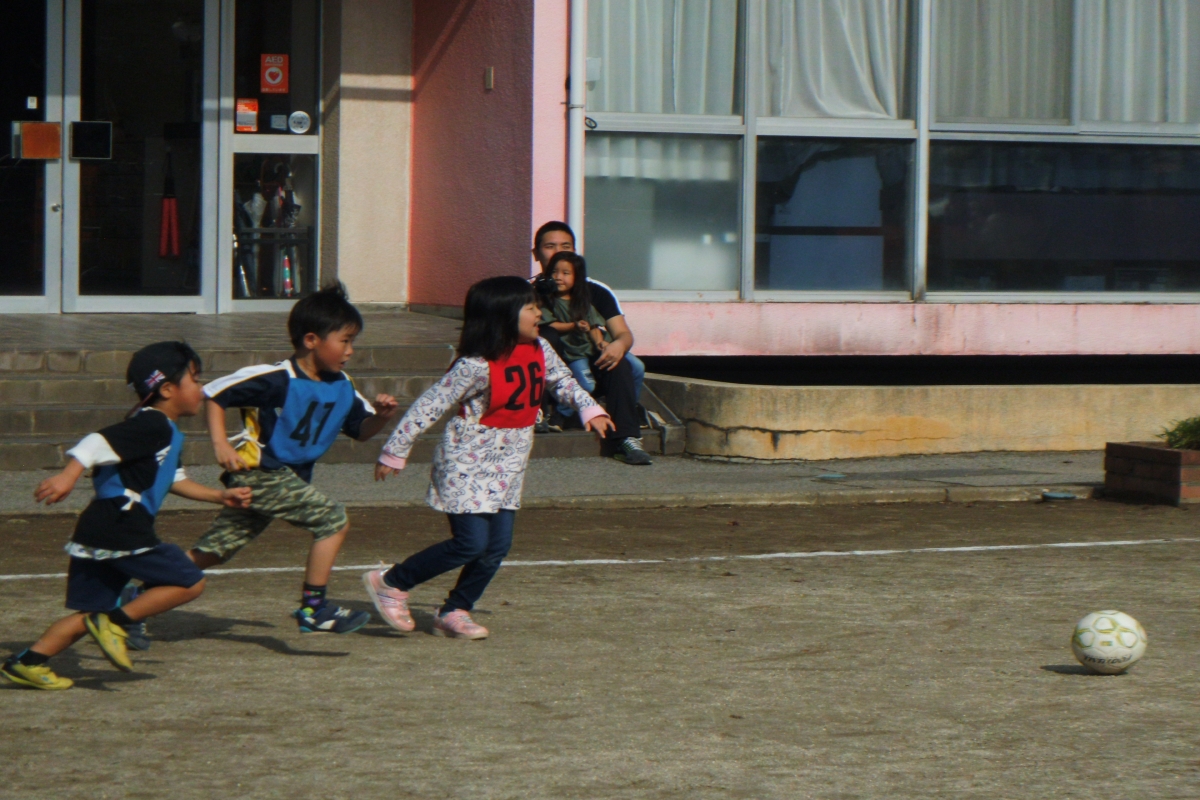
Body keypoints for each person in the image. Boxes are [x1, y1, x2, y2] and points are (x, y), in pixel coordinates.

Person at [363, 276, 615, 639]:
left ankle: (455, 610)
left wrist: (590, 409)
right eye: (530, 307)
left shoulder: (541, 348)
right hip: (466, 462)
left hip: (509, 464)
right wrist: (395, 450)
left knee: (496, 547)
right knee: (470, 543)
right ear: (502, 315)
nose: (539, 313)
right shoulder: (475, 364)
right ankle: (392, 582)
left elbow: (563, 382)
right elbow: (430, 404)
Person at [1, 342, 252, 690]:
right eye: (195, 379)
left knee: (91, 614)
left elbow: (173, 479)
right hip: (121, 523)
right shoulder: (153, 424)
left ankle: (27, 662)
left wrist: (218, 495)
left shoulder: (161, 430)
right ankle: (117, 621)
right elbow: (96, 441)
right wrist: (68, 475)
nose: (202, 388)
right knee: (189, 581)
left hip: (98, 529)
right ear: (167, 389)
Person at [188, 284, 400, 634]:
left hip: (285, 478)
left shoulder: (342, 385)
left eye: (353, 342)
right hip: (261, 473)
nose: (350, 351)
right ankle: (314, 609)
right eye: (345, 341)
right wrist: (220, 443)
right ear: (311, 340)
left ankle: (140, 592)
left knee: (216, 549)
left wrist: (382, 417)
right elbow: (214, 393)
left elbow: (361, 431)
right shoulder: (276, 378)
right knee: (333, 520)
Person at [540, 252, 652, 466]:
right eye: (555, 271)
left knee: (625, 364)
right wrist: (573, 326)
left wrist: (608, 345)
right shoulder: (539, 294)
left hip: (587, 351)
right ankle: (559, 415)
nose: (558, 277)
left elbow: (608, 330)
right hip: (567, 355)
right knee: (585, 382)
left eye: (566, 272)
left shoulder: (590, 296)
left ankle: (627, 435)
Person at [531, 221, 646, 406]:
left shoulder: (596, 290)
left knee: (632, 366)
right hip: (552, 362)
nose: (558, 253)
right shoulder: (527, 291)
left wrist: (618, 345)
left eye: (565, 246)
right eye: (550, 246)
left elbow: (622, 333)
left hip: (591, 351)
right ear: (536, 254)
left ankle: (630, 411)